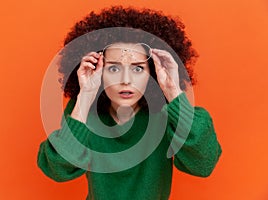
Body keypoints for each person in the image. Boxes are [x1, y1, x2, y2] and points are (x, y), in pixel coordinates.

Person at [37, 6, 222, 200]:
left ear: (152, 71)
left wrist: (172, 91)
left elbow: (204, 163)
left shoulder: (166, 115)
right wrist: (85, 97)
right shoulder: (82, 114)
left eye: (138, 69)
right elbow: (56, 168)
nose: (126, 80)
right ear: (98, 70)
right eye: (114, 69)